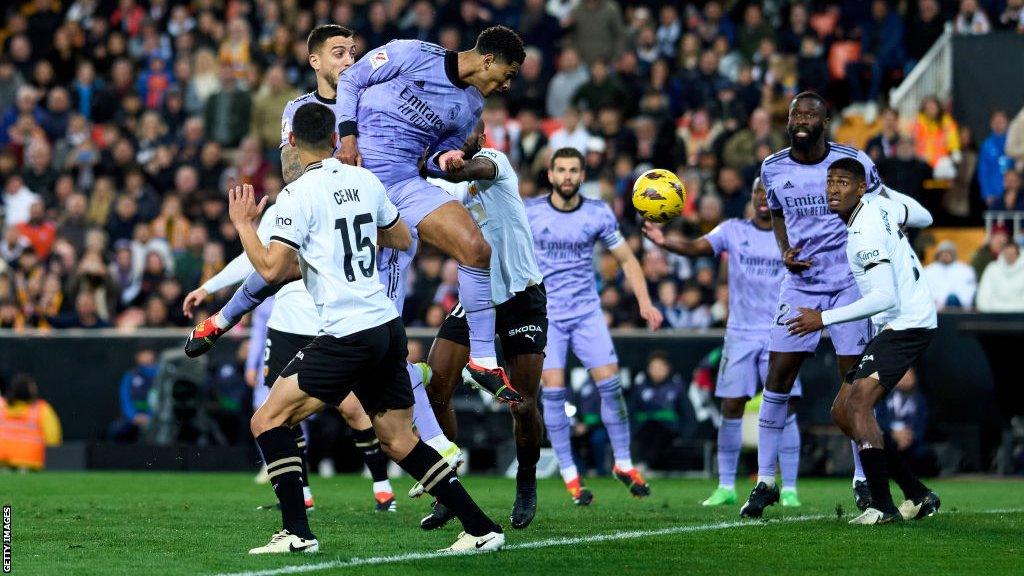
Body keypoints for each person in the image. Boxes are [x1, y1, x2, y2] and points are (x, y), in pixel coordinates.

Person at [232, 102, 504, 554]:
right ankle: (480, 528)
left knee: (267, 420)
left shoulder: (296, 196)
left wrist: (244, 225)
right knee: (399, 439)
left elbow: (271, 269)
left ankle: (298, 533)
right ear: (337, 141)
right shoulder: (365, 179)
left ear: (293, 143)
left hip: (346, 331)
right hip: (385, 325)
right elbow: (401, 238)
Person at [183, 24, 396, 514]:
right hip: (320, 220)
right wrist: (330, 179)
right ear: (315, 60)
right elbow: (289, 169)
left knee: (366, 406)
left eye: (352, 51)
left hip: (371, 232)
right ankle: (222, 319)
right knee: (276, 272)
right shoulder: (299, 111)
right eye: (338, 52)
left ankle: (399, 467)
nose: (348, 59)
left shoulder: (375, 100)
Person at [740, 91, 932, 519]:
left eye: (811, 112)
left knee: (854, 384)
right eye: (795, 113)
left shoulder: (853, 162)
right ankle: (765, 481)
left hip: (850, 282)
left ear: (825, 121)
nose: (802, 118)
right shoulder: (772, 167)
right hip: (800, 284)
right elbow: (776, 214)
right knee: (778, 375)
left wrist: (899, 248)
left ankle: (863, 481)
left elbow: (886, 208)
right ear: (788, 121)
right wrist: (785, 249)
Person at [786, 158, 939, 524]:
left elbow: (885, 297)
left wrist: (822, 319)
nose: (833, 189)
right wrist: (884, 191)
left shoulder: (863, 233)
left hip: (905, 322)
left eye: (843, 182)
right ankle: (917, 494)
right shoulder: (881, 204)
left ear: (859, 188)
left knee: (856, 406)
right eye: (830, 182)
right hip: (900, 320)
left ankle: (882, 507)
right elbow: (923, 217)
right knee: (843, 411)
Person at [644, 178, 804, 507]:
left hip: (781, 330)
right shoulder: (732, 230)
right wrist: (663, 241)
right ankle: (727, 486)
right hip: (741, 333)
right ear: (750, 196)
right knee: (730, 406)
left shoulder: (792, 233)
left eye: (768, 193)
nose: (762, 197)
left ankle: (788, 488)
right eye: (758, 191)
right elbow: (694, 247)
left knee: (785, 407)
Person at [528, 147, 663, 505]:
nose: (568, 176)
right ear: (551, 176)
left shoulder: (597, 213)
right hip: (548, 316)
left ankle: (623, 463)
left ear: (582, 176)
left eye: (574, 170)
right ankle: (571, 476)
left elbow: (628, 260)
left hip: (587, 312)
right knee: (553, 391)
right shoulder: (531, 213)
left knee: (612, 386)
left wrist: (645, 303)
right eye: (562, 170)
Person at [0, 373, 62, 471]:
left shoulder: (1, 406)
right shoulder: (42, 409)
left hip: (2, 463)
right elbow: (53, 440)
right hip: (31, 463)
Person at [108, 349, 158, 443]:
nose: (145, 356)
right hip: (134, 418)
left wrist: (150, 416)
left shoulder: (160, 374)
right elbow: (125, 398)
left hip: (156, 419)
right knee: (116, 430)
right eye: (141, 353)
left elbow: (162, 399)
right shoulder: (130, 375)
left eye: (147, 352)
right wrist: (133, 416)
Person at [922, 240, 976, 311]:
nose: (945, 255)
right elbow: (925, 291)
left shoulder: (966, 270)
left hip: (959, 308)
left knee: (952, 298)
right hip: (936, 309)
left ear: (954, 254)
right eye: (943, 253)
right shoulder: (928, 270)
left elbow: (970, 291)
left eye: (948, 252)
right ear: (938, 254)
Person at [976, 242, 1024, 312]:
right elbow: (983, 297)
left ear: (1018, 255)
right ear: (1003, 254)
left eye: (1012, 254)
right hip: (994, 316)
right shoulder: (992, 268)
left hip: (1020, 317)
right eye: (1007, 254)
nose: (1009, 256)